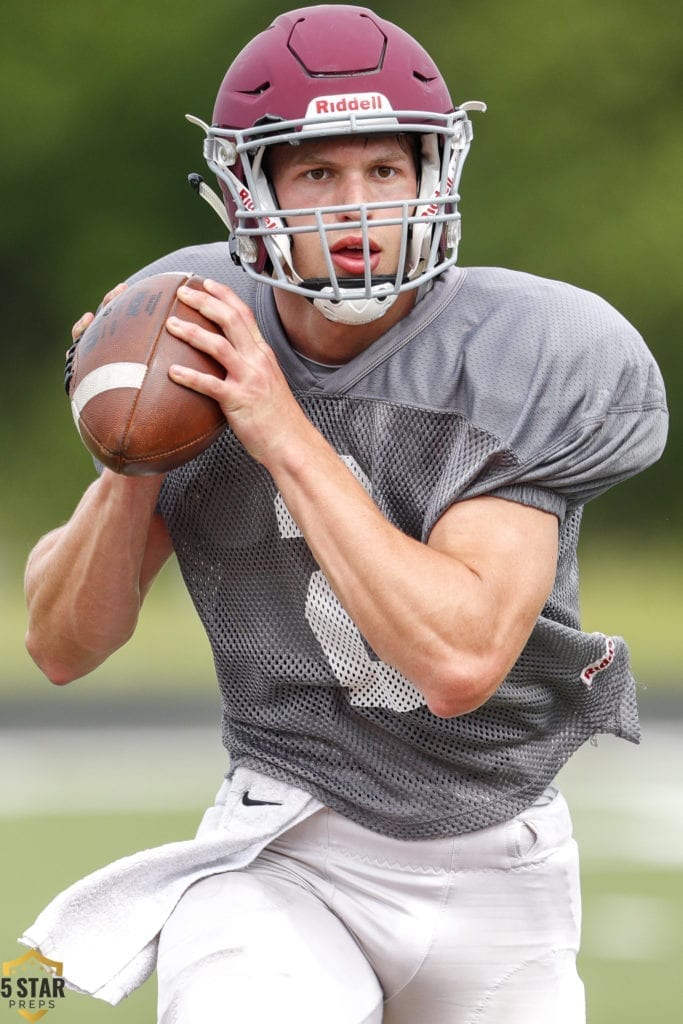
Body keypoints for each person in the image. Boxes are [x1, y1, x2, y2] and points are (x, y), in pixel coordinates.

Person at [23, 5, 668, 1023]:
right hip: (285, 845)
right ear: (251, 191)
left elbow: (456, 664)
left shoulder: (525, 350)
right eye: (316, 173)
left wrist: (279, 427)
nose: (354, 208)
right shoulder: (193, 320)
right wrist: (131, 458)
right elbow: (62, 645)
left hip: (500, 858)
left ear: (431, 180)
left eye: (383, 171)